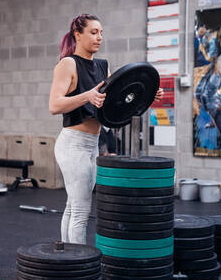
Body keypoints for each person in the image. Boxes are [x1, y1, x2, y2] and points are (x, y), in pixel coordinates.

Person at [49, 13, 163, 245]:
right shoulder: (68, 64)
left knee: (73, 206)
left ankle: (66, 260)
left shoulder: (103, 65)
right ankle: (78, 268)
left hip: (92, 144)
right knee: (81, 211)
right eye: (93, 32)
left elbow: (116, 103)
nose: (99, 37)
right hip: (72, 144)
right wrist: (87, 96)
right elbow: (54, 105)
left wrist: (148, 95)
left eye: (101, 33)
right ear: (77, 35)